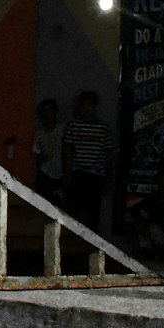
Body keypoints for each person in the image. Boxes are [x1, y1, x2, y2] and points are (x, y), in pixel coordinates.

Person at [62, 90, 113, 231]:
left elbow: (108, 152)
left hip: (97, 174)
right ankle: (71, 239)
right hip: (78, 172)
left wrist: (108, 174)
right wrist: (68, 172)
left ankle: (91, 245)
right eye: (83, 105)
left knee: (93, 211)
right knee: (73, 210)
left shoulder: (103, 128)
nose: (86, 108)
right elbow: (68, 150)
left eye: (89, 105)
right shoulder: (73, 126)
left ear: (94, 106)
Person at [32, 97, 65, 204]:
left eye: (49, 110)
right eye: (44, 111)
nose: (47, 114)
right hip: (45, 174)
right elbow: (37, 156)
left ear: (55, 112)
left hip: (61, 174)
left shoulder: (63, 131)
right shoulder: (40, 134)